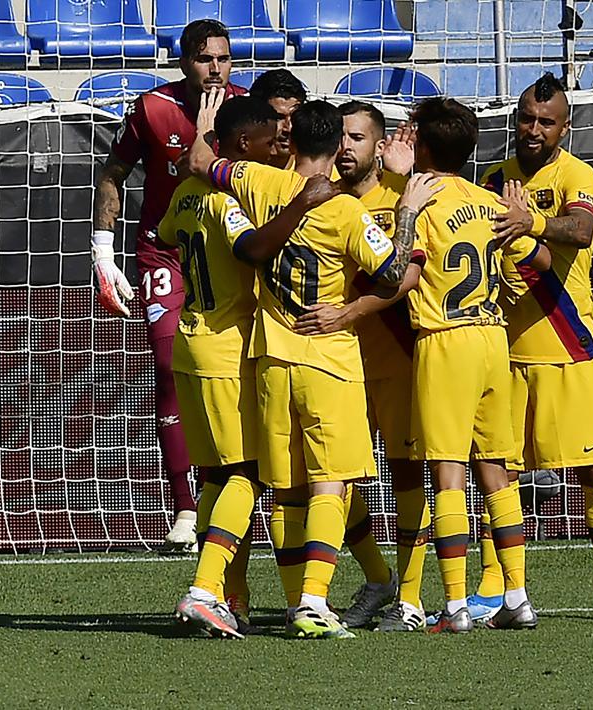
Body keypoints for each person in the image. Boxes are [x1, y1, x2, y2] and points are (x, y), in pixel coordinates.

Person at [186, 92, 431, 639]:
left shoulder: (255, 182)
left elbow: (202, 164)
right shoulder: (346, 210)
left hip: (270, 357)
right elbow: (392, 272)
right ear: (336, 144)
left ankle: (282, 596)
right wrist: (408, 215)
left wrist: (205, 132)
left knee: (286, 487)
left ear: (291, 140)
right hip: (329, 359)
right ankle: (313, 603)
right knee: (331, 485)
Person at [165, 96, 337, 638]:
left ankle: (228, 596)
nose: (276, 149)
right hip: (224, 346)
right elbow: (254, 248)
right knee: (249, 473)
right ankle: (204, 589)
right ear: (243, 145)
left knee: (218, 475)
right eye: (269, 142)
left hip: (190, 342)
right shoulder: (223, 199)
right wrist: (302, 204)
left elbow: (168, 235)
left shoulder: (186, 194)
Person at [484, 73, 593, 621]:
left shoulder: (577, 174)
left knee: (592, 467)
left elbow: (580, 231)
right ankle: (500, 587)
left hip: (567, 340)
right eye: (526, 118)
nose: (533, 129)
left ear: (564, 127)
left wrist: (533, 221)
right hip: (502, 346)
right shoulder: (490, 179)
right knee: (495, 467)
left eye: (545, 121)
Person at [92, 19, 246, 552]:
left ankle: (241, 493)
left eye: (223, 58)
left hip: (230, 253)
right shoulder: (153, 107)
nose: (216, 69)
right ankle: (185, 506)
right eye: (206, 59)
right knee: (170, 364)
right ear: (184, 61)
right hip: (166, 251)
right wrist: (102, 251)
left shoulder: (247, 107)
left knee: (235, 370)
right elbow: (113, 172)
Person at [403, 97, 552, 634]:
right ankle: (517, 597)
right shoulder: (489, 201)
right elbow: (541, 260)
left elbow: (399, 272)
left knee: (447, 473)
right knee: (496, 475)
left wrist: (403, 209)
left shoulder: (419, 202)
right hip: (494, 340)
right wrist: (524, 223)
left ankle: (457, 606)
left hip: (445, 340)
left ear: (420, 144)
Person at [292, 101, 428, 632]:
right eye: (341, 138)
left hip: (394, 356)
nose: (347, 148)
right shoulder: (311, 195)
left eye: (358, 138)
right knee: (331, 480)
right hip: (333, 362)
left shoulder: (399, 197)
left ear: (380, 144)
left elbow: (406, 278)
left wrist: (346, 313)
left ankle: (411, 599)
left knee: (406, 473)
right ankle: (377, 578)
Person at [246, 68, 306, 166]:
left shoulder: (319, 174)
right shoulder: (236, 174)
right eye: (278, 117)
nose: (288, 128)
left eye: (294, 116)